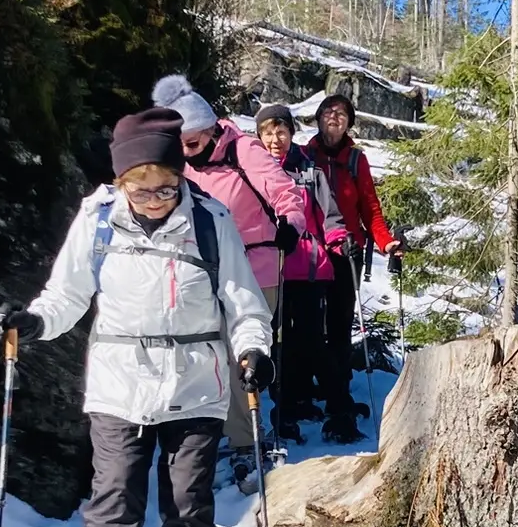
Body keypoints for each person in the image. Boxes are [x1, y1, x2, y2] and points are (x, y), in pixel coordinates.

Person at [0, 106, 273, 527]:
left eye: (166, 188)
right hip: (119, 388)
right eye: (140, 191)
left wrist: (253, 350)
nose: (154, 200)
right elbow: (65, 297)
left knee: (189, 516)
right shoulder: (97, 220)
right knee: (112, 510)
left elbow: (244, 303)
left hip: (195, 389)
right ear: (121, 182)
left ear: (181, 176)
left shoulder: (209, 220)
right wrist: (32, 322)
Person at [150, 75, 308, 474]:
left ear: (210, 129)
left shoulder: (243, 150)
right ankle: (219, 430)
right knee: (209, 353)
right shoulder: (185, 165)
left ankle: (245, 440)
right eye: (180, 145)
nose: (187, 153)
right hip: (206, 271)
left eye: (192, 143)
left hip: (256, 268)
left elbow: (284, 190)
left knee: (244, 353)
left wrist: (291, 222)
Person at [305, 94, 405, 444]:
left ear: (349, 123)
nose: (335, 118)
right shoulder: (305, 155)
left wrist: (386, 242)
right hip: (309, 252)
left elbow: (370, 210)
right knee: (307, 328)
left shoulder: (356, 160)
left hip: (348, 253)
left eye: (343, 114)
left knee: (338, 327)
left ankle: (338, 396)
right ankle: (311, 393)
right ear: (318, 118)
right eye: (329, 112)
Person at [254, 102, 346, 441]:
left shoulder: (310, 173)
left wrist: (338, 239)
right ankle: (286, 408)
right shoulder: (252, 173)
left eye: (281, 131)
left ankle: (339, 406)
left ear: (292, 133)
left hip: (308, 269)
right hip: (269, 270)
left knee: (312, 342)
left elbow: (331, 216)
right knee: (278, 344)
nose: (275, 138)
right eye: (267, 132)